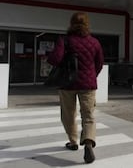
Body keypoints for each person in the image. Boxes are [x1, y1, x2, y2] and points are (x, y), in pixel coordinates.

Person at [47, 12, 104, 164]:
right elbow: (99, 64)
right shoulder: (95, 42)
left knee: (68, 114)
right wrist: (92, 75)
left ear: (71, 23)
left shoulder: (64, 40)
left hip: (67, 83)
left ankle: (73, 142)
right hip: (88, 85)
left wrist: (50, 54)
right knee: (88, 114)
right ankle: (88, 141)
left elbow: (55, 59)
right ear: (87, 24)